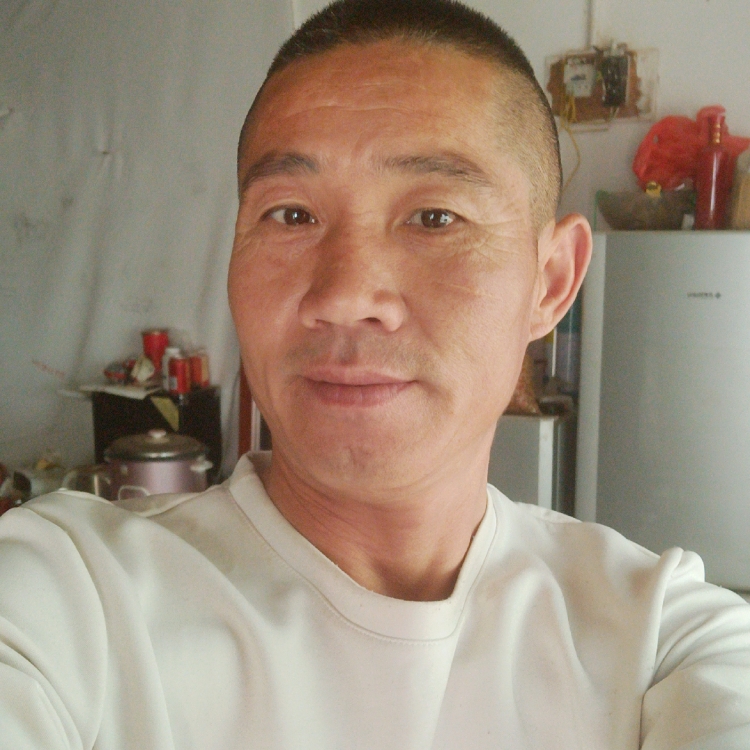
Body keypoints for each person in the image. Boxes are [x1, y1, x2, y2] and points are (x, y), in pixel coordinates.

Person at [2, 0, 750, 747]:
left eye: (435, 218)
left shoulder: (659, 635)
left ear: (551, 282)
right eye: (291, 215)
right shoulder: (71, 598)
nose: (344, 295)